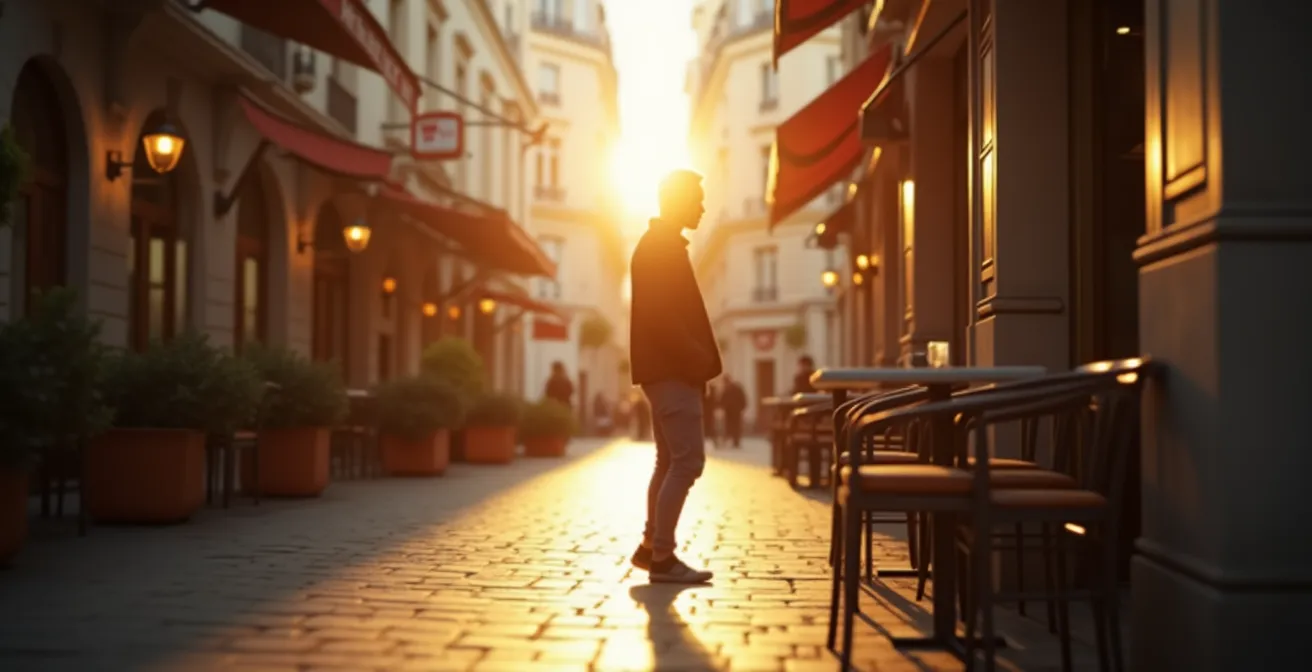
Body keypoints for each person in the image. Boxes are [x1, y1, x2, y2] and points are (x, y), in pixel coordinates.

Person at [627, 169, 720, 584]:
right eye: (696, 199)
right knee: (688, 462)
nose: (702, 206)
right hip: (672, 370)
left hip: (665, 370)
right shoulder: (661, 247)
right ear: (678, 200)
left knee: (668, 461)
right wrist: (696, 358)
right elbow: (664, 316)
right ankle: (662, 557)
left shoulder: (660, 244)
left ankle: (651, 547)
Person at [719, 375, 748, 448]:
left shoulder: (731, 388)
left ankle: (734, 441)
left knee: (733, 426)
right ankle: (734, 441)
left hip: (733, 410)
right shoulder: (735, 388)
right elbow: (743, 398)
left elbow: (722, 399)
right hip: (733, 411)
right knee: (734, 426)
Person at [702, 382, 720, 448]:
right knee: (707, 426)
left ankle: (713, 441)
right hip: (706, 411)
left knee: (710, 426)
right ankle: (711, 441)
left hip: (708, 412)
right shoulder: (704, 388)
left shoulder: (712, 389)